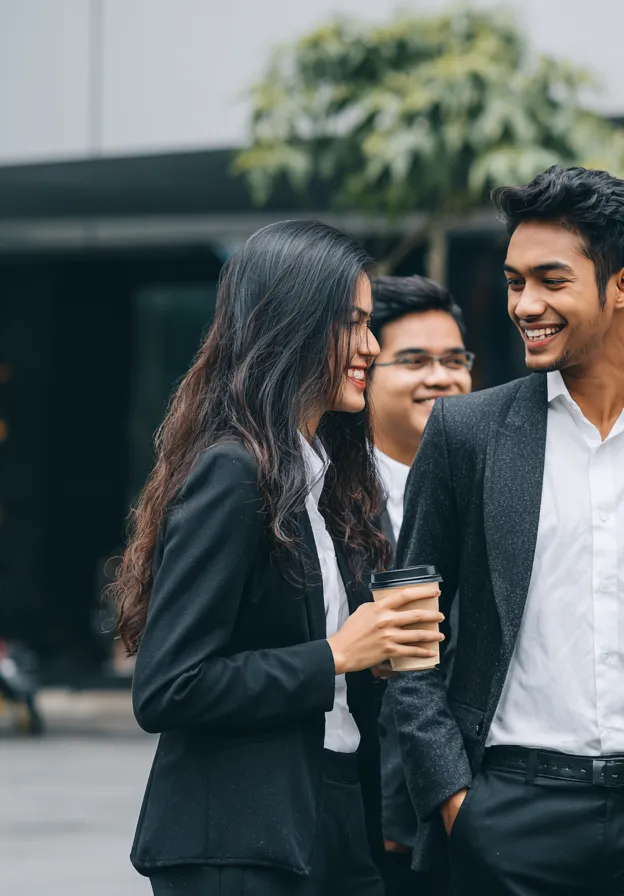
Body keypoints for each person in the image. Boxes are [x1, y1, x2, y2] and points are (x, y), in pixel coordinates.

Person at [388, 166, 624, 895]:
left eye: (550, 280)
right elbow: (410, 639)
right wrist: (455, 800)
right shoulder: (466, 432)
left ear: (622, 285)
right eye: (514, 282)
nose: (525, 304)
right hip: (508, 814)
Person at [113, 221, 445, 896]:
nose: (372, 346)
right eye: (353, 324)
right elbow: (168, 687)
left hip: (334, 811)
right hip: (239, 840)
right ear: (292, 324)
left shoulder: (322, 481)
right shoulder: (233, 473)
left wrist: (372, 657)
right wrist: (336, 655)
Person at [366, 274, 472, 895]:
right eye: (414, 361)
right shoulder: (323, 501)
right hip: (363, 822)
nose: (441, 378)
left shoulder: (491, 493)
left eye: (455, 361)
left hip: (475, 812)